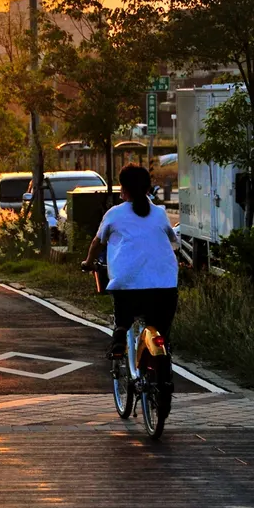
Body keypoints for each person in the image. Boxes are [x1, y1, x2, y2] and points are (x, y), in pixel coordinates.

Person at [82, 163, 178, 406]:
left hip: (128, 285)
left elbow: (97, 242)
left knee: (124, 320)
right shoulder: (159, 212)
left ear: (123, 188)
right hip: (165, 285)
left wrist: (88, 262)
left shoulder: (114, 214)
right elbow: (172, 240)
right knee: (161, 333)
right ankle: (161, 371)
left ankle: (119, 338)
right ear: (148, 188)